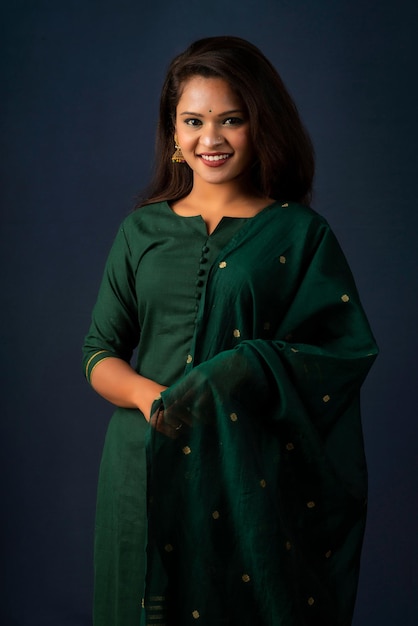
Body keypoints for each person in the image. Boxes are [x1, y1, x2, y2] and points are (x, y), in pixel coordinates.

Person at [83, 36, 378, 626]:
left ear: (259, 125)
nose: (210, 139)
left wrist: (246, 366)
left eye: (231, 120)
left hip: (249, 474)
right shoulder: (140, 232)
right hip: (140, 467)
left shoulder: (299, 234)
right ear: (173, 133)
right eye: (193, 121)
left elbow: (343, 353)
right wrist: (152, 401)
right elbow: (99, 351)